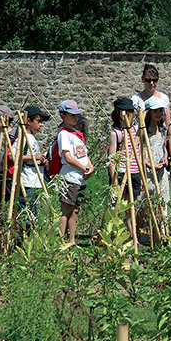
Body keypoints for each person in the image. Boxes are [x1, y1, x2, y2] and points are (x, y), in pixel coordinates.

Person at [57, 100, 94, 244]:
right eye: (71, 115)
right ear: (63, 116)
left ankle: (71, 241)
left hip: (80, 178)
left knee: (75, 210)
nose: (75, 118)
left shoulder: (76, 133)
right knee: (66, 210)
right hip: (70, 177)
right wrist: (82, 168)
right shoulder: (64, 134)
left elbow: (83, 155)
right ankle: (61, 241)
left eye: (76, 115)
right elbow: (67, 157)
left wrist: (90, 166)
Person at [107, 97, 142, 238]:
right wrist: (114, 180)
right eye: (125, 111)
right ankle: (116, 236)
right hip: (121, 172)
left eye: (130, 111)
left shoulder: (136, 130)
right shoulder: (116, 133)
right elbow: (112, 158)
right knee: (118, 206)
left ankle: (132, 236)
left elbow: (139, 153)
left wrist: (142, 174)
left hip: (134, 172)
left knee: (131, 206)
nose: (128, 114)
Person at [14, 106, 50, 224]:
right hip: (27, 180)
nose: (40, 125)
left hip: (35, 180)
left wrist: (41, 161)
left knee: (33, 213)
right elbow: (13, 157)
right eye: (38, 121)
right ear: (28, 121)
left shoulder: (31, 138)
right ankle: (25, 239)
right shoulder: (23, 138)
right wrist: (34, 158)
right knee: (27, 215)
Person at [143, 96, 170, 228]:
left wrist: (165, 158)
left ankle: (162, 232)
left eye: (161, 111)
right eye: (155, 111)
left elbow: (163, 146)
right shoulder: (143, 132)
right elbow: (139, 153)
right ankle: (145, 232)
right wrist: (150, 164)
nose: (159, 114)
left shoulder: (162, 129)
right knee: (146, 200)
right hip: (147, 170)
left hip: (161, 170)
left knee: (162, 200)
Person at [131, 64, 171, 128]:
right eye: (148, 80)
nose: (151, 83)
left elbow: (167, 124)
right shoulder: (136, 100)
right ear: (142, 79)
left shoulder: (164, 98)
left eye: (155, 80)